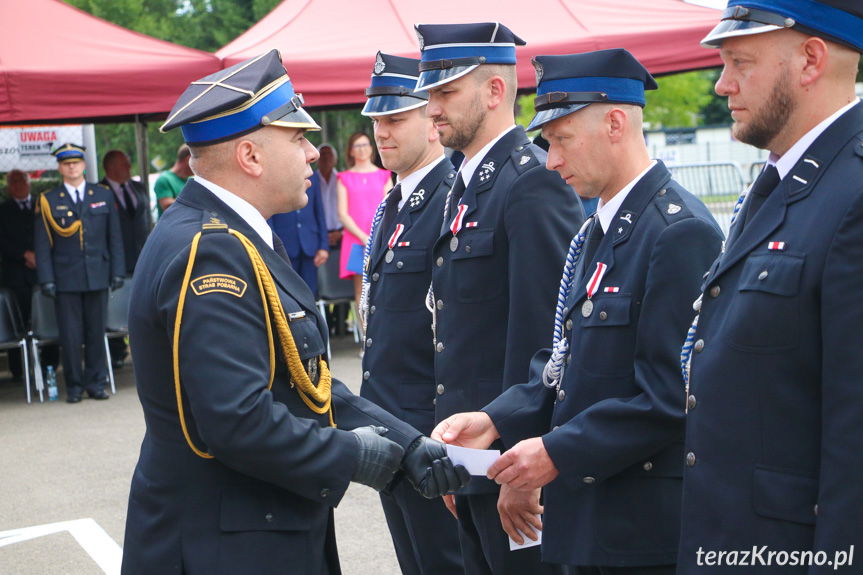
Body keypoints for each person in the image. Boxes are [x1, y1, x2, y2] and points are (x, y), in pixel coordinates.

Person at [120, 49, 469, 575]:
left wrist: (406, 444)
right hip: (227, 544)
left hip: (252, 530)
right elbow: (238, 421)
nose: (312, 154)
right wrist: (357, 455)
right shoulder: (213, 251)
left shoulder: (237, 237)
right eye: (298, 139)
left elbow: (309, 382)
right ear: (250, 157)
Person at [432, 50, 724, 575]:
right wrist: (495, 418)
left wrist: (556, 452)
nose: (551, 161)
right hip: (588, 520)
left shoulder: (678, 232)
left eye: (562, 140)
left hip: (639, 531)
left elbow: (669, 395)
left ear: (615, 123)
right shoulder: (599, 231)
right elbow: (564, 363)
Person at [674, 2, 863, 572]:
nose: (722, 84)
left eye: (740, 62)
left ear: (810, 59)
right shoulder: (780, 183)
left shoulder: (852, 194)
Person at [415, 22, 584, 575]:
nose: (431, 107)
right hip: (474, 458)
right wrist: (460, 465)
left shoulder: (529, 182)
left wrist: (521, 461)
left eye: (446, 92)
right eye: (430, 92)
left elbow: (550, 337)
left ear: (493, 92)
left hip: (512, 460)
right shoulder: (465, 184)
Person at [358, 51, 463, 575]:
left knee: (445, 561)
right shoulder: (394, 201)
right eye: (376, 120)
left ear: (433, 120)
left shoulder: (449, 198)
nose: (381, 131)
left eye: (395, 118)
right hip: (390, 425)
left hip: (430, 428)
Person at [34, 143, 125, 402]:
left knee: (96, 332)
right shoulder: (49, 200)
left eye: (76, 162)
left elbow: (114, 237)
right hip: (65, 277)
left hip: (97, 272)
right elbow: (42, 245)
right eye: (66, 163)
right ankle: (74, 386)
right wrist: (47, 279)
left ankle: (96, 383)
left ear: (84, 165)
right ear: (60, 168)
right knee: (71, 335)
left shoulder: (103, 194)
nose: (72, 167)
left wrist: (117, 270)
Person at [101, 149, 152, 368]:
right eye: (125, 164)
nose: (129, 168)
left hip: (141, 255)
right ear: (111, 168)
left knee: (141, 304)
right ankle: (115, 354)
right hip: (114, 260)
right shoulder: (100, 191)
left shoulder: (138, 187)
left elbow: (145, 220)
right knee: (114, 305)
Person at [337, 132, 391, 311]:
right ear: (351, 151)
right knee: (361, 291)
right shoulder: (344, 178)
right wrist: (363, 237)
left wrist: (376, 235)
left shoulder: (384, 175)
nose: (362, 149)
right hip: (355, 240)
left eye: (365, 144)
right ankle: (365, 335)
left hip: (381, 237)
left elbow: (390, 208)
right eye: (357, 146)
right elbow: (343, 214)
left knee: (384, 286)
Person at [267, 152, 329, 295]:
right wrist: (272, 245)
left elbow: (319, 211)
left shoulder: (312, 177)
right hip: (285, 245)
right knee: (288, 292)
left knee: (310, 293)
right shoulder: (276, 175)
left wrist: (323, 246)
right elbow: (269, 214)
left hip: (310, 245)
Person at [0, 170, 37, 377]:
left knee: (43, 317)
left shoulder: (42, 206)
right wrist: (24, 254)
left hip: (41, 274)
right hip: (16, 276)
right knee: (17, 322)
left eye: (20, 180)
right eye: (12, 182)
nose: (17, 185)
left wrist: (39, 255)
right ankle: (19, 370)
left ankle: (49, 362)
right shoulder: (3, 210)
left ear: (28, 183)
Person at [154, 143, 192, 217]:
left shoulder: (192, 180)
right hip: (170, 227)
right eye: (197, 159)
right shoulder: (164, 179)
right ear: (188, 159)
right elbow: (167, 206)